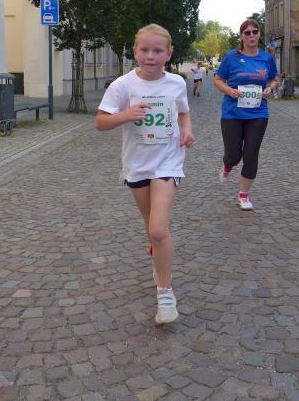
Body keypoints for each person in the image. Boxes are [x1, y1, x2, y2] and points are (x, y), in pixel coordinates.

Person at [95, 23, 194, 325]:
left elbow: (183, 111)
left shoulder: (176, 83)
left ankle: (165, 293)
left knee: (158, 229)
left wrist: (187, 130)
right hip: (137, 165)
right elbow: (101, 122)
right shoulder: (122, 86)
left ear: (169, 53)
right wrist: (125, 115)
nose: (151, 56)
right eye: (145, 50)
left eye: (158, 50)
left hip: (167, 162)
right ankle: (158, 257)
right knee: (151, 227)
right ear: (135, 52)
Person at [213, 18, 279, 211]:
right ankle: (227, 165)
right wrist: (229, 90)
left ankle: (243, 194)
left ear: (259, 34)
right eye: (247, 33)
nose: (251, 35)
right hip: (232, 113)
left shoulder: (266, 57)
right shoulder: (231, 56)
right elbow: (218, 79)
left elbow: (274, 79)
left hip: (258, 113)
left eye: (255, 32)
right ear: (241, 36)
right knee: (233, 155)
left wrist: (270, 88)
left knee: (251, 154)